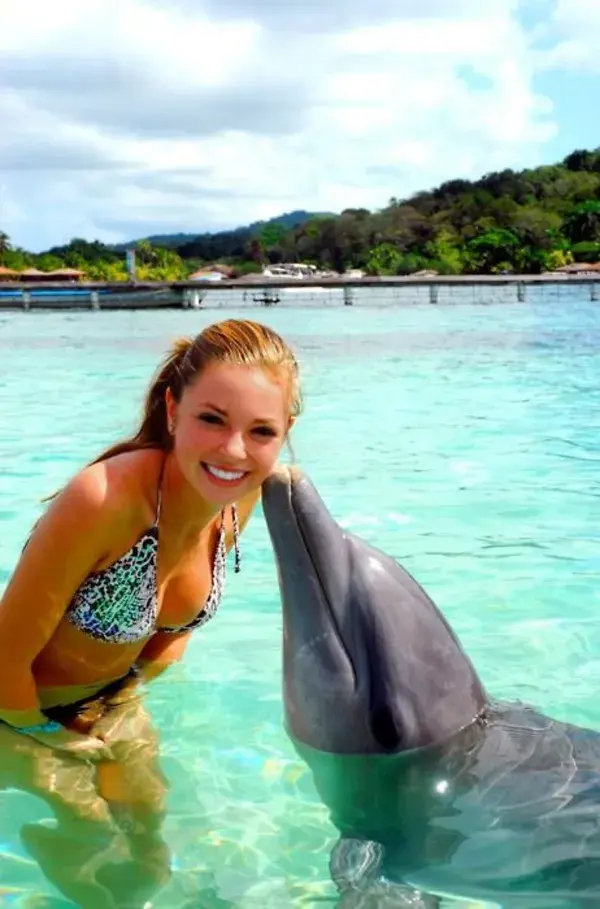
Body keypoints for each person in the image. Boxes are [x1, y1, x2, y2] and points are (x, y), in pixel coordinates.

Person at [0, 318, 302, 908]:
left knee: (151, 840)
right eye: (211, 419)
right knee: (88, 826)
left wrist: (117, 707)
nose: (234, 449)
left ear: (284, 432)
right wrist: (49, 738)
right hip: (14, 710)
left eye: (261, 430)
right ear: (172, 409)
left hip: (110, 703)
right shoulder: (105, 499)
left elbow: (172, 630)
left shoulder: (238, 492)